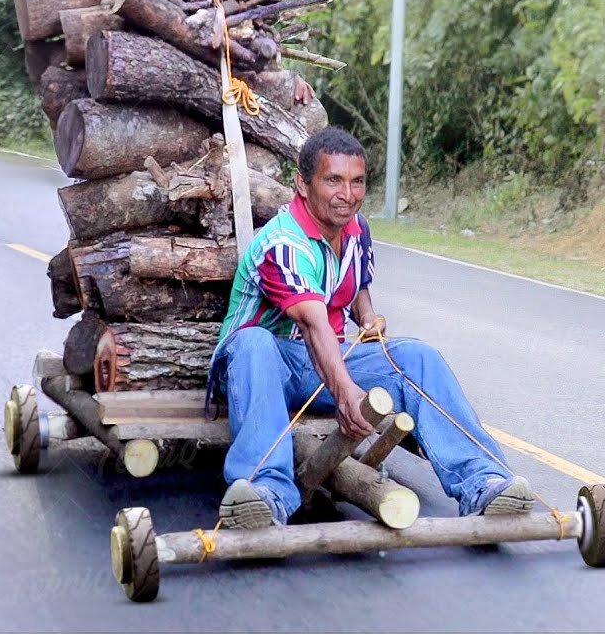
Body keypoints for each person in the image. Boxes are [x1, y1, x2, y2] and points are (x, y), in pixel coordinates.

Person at [208, 126, 534, 529]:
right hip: (263, 366)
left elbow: (357, 283)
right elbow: (311, 324)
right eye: (333, 181)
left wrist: (366, 318)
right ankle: (264, 492)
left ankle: (485, 482)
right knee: (254, 342)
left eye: (357, 181)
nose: (347, 194)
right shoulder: (283, 243)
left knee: (415, 355)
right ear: (302, 185)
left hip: (326, 361)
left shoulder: (357, 229)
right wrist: (346, 392)